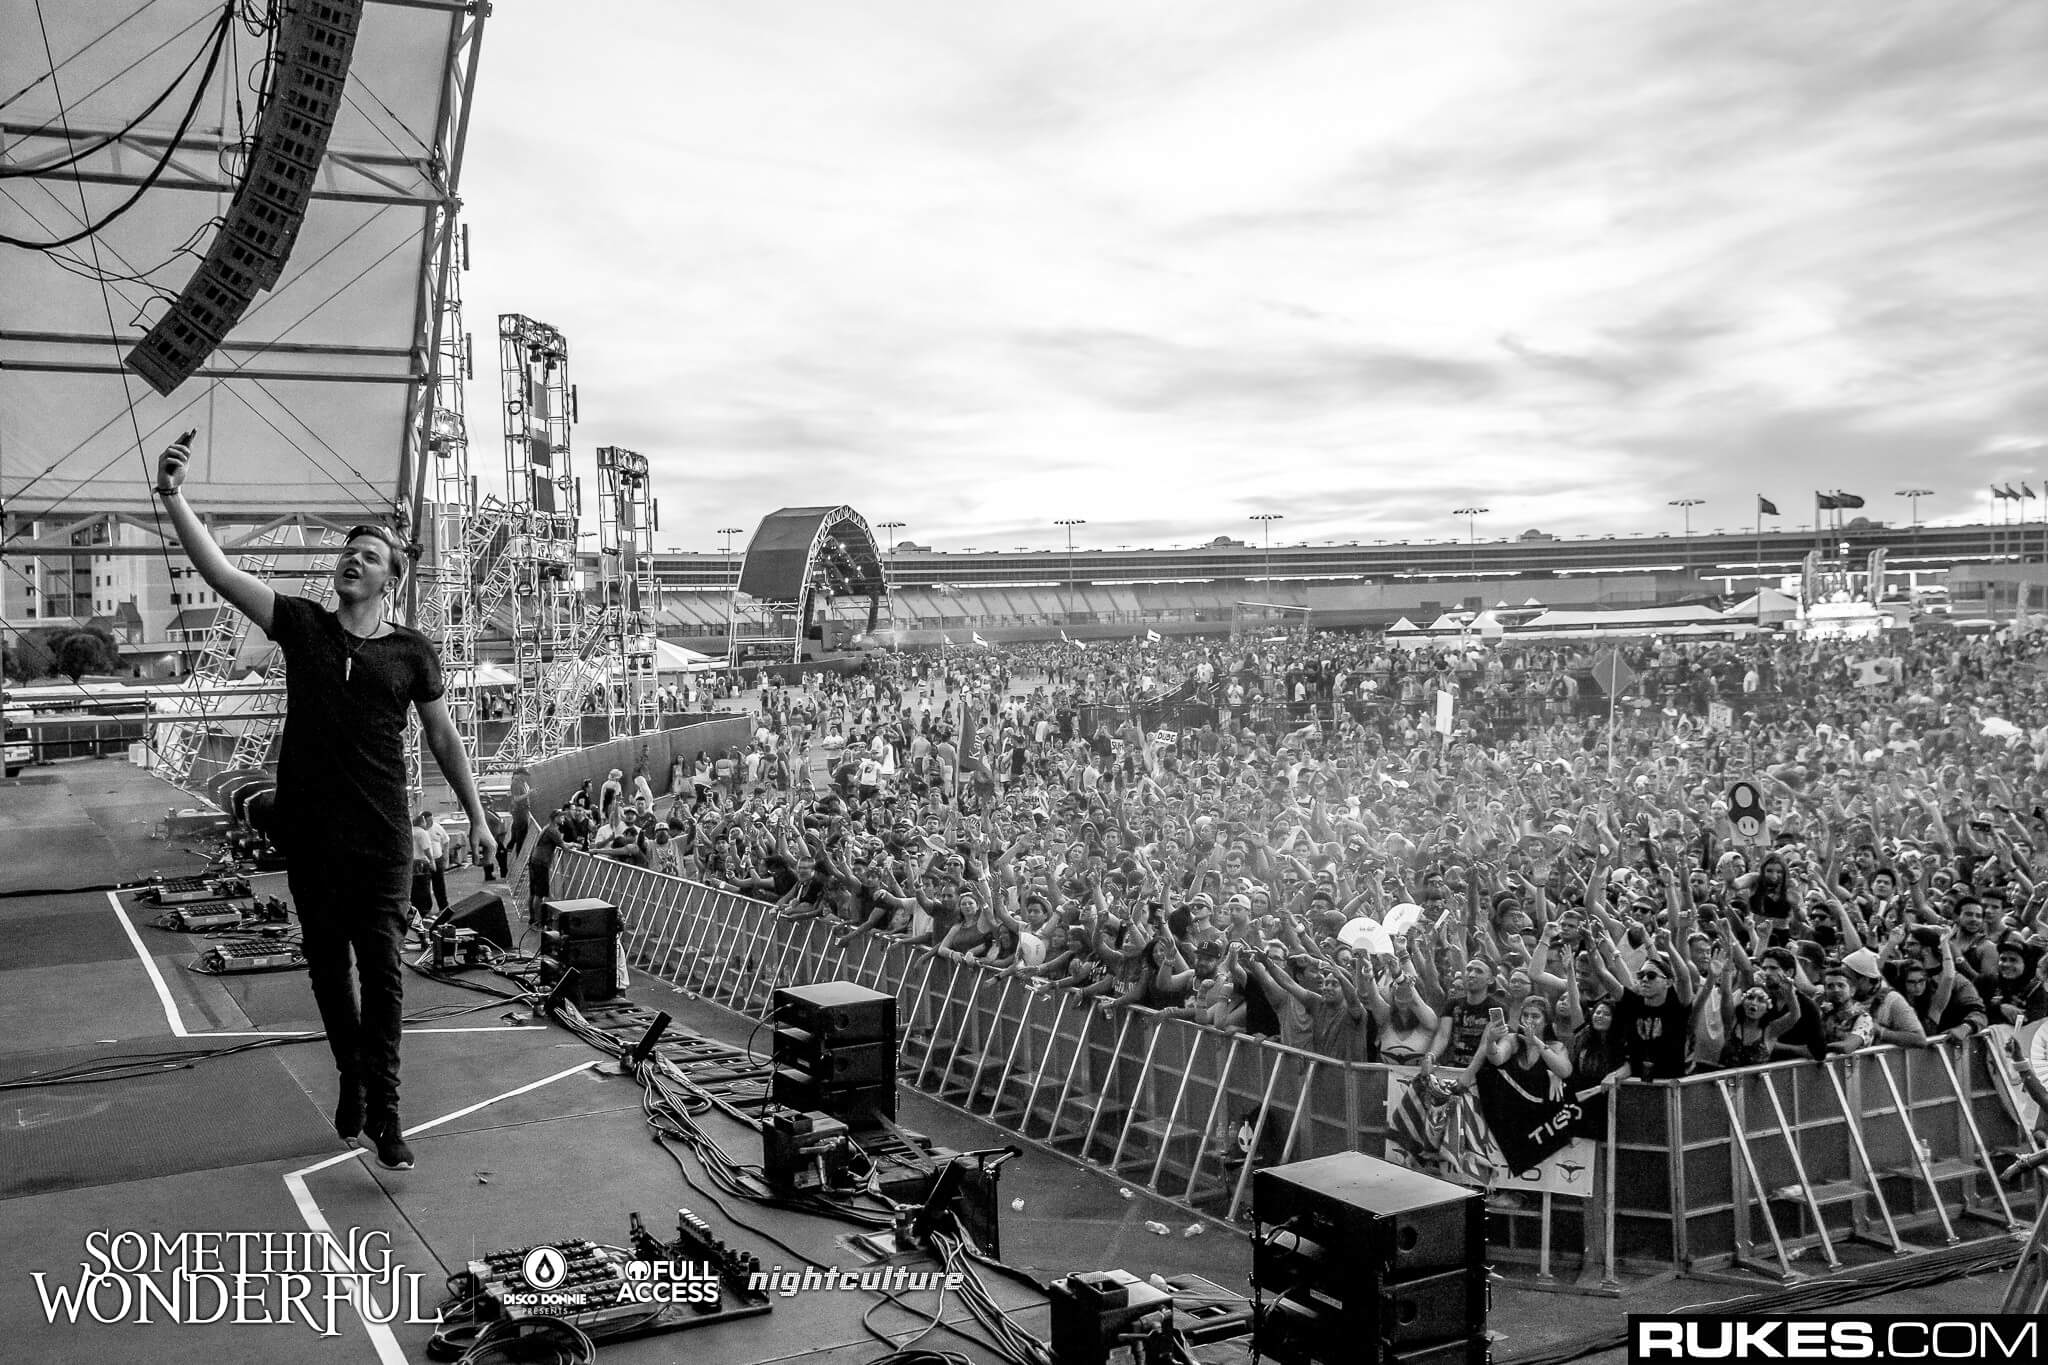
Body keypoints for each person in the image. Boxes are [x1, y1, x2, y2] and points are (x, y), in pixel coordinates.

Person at [154, 432, 495, 1172]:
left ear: (390, 579)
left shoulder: (413, 652)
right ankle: (351, 1071)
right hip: (311, 836)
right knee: (325, 967)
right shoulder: (302, 625)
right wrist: (173, 495)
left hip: (381, 840)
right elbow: (218, 570)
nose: (352, 558)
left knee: (384, 972)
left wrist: (474, 814)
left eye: (368, 554)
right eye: (348, 549)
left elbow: (444, 739)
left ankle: (389, 1109)